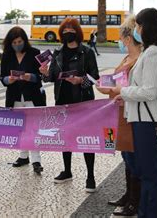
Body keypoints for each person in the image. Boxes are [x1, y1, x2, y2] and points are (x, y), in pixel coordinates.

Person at [113, 8, 157, 218]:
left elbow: (149, 92)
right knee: (146, 174)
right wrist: (126, 95)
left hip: (148, 122)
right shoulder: (152, 52)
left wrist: (123, 91)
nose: (136, 30)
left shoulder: (154, 54)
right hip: (143, 120)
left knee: (151, 176)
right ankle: (145, 212)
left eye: (139, 26)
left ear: (147, 27)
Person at [40, 17, 100, 192]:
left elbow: (94, 77)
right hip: (63, 100)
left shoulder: (87, 52)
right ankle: (67, 170)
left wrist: (81, 80)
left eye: (71, 30)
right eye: (64, 30)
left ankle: (90, 176)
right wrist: (44, 73)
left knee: (86, 139)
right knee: (65, 137)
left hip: (83, 101)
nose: (67, 33)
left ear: (77, 32)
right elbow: (50, 77)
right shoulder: (57, 53)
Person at [96, 16, 142, 216]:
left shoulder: (140, 60)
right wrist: (104, 88)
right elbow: (117, 86)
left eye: (121, 38)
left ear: (128, 38)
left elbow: (137, 90)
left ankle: (134, 201)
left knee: (133, 158)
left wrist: (116, 91)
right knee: (126, 156)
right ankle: (128, 195)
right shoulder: (126, 59)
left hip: (131, 116)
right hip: (118, 115)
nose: (119, 42)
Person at [0, 26, 46, 174]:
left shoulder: (35, 53)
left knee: (33, 128)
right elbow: (2, 77)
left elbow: (42, 77)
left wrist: (29, 76)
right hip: (15, 97)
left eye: (19, 41)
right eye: (14, 42)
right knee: (20, 128)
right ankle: (23, 156)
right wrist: (9, 80)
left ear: (24, 40)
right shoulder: (7, 55)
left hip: (32, 96)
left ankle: (36, 160)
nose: (17, 44)